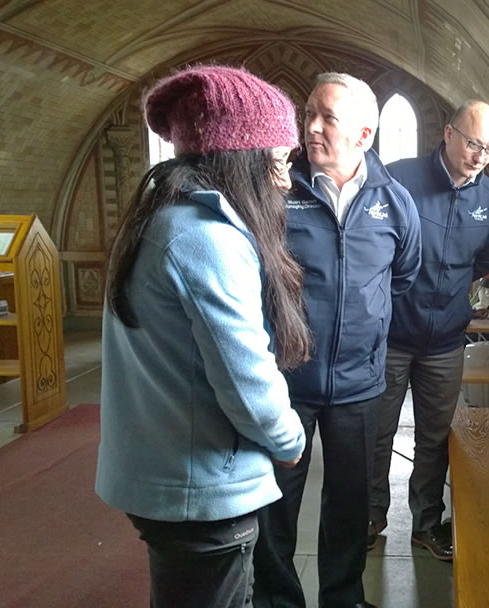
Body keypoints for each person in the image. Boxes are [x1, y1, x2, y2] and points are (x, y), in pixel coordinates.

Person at [96, 65, 311, 608]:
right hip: (201, 490)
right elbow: (246, 380)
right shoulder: (206, 238)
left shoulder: (164, 216)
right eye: (280, 161)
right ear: (243, 159)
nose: (287, 180)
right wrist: (289, 440)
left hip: (169, 473)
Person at [253, 73, 422, 608]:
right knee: (276, 504)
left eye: (328, 117)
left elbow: (402, 276)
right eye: (309, 115)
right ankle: (279, 601)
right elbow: (254, 274)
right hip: (289, 380)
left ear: (365, 135)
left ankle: (342, 599)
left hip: (358, 382)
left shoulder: (395, 203)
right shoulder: (279, 196)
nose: (313, 127)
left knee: (349, 506)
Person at [369, 100, 489, 561]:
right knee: (376, 433)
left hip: (446, 342)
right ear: (448, 134)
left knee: (433, 438)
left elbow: (484, 261)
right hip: (391, 336)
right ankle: (370, 520)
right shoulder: (399, 179)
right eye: (472, 142)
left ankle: (427, 524)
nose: (479, 155)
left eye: (488, 149)